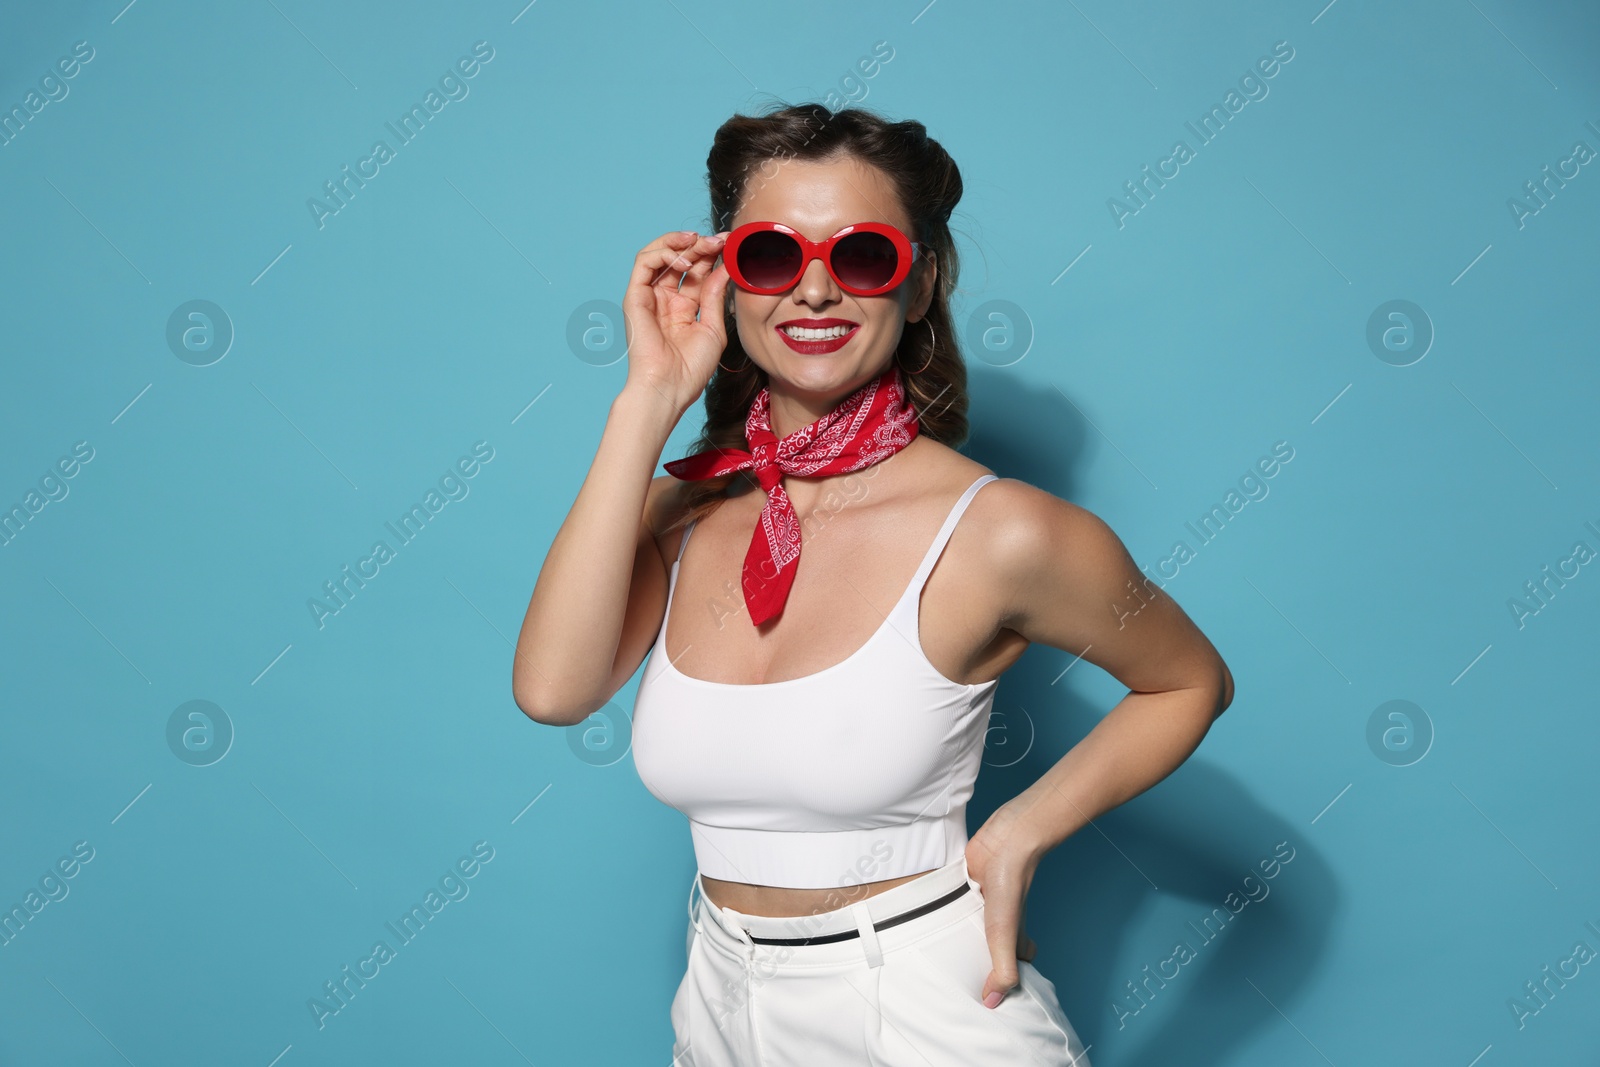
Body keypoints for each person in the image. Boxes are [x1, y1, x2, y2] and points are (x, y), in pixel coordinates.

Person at [513, 103, 1233, 1067]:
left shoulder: (1001, 530)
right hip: (718, 1004)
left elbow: (1190, 680)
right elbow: (554, 692)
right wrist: (648, 400)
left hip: (921, 1004)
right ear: (729, 278)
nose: (814, 291)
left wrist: (1020, 832)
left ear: (922, 278)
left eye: (862, 257)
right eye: (772, 254)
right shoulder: (680, 514)